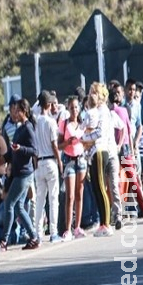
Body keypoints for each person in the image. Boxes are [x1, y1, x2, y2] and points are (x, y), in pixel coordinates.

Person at [0, 99, 40, 250]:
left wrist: (20, 148)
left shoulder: (28, 128)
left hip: (24, 174)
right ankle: (34, 236)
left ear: (24, 111)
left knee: (9, 203)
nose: (15, 113)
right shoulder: (19, 128)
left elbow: (34, 151)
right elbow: (11, 150)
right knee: (18, 206)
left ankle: (4, 239)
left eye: (17, 110)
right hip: (18, 172)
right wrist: (3, 159)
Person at [82, 82, 118, 237]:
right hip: (93, 152)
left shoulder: (104, 111)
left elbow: (99, 133)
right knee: (96, 187)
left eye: (94, 92)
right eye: (90, 92)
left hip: (100, 149)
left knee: (102, 187)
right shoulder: (95, 111)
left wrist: (83, 137)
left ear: (101, 96)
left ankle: (107, 223)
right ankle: (103, 223)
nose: (91, 95)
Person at [33, 91, 63, 243]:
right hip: (50, 161)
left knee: (40, 199)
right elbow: (54, 145)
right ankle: (53, 232)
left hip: (38, 162)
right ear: (48, 105)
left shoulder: (35, 122)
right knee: (53, 198)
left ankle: (37, 233)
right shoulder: (51, 122)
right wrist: (60, 161)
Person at [57, 96, 87, 240]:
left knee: (79, 194)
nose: (74, 110)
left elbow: (88, 141)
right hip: (69, 159)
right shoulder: (64, 124)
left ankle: (78, 227)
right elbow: (58, 144)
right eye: (71, 107)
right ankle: (67, 229)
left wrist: (84, 142)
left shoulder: (82, 124)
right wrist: (67, 142)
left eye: (76, 107)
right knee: (69, 196)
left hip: (81, 159)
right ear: (68, 109)